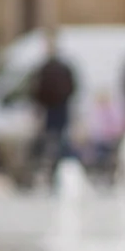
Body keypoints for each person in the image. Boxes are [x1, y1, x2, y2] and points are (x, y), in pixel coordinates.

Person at [29, 30, 77, 179]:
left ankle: (60, 168)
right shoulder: (49, 68)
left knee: (57, 140)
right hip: (52, 109)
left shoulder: (54, 68)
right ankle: (56, 168)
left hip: (57, 109)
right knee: (54, 140)